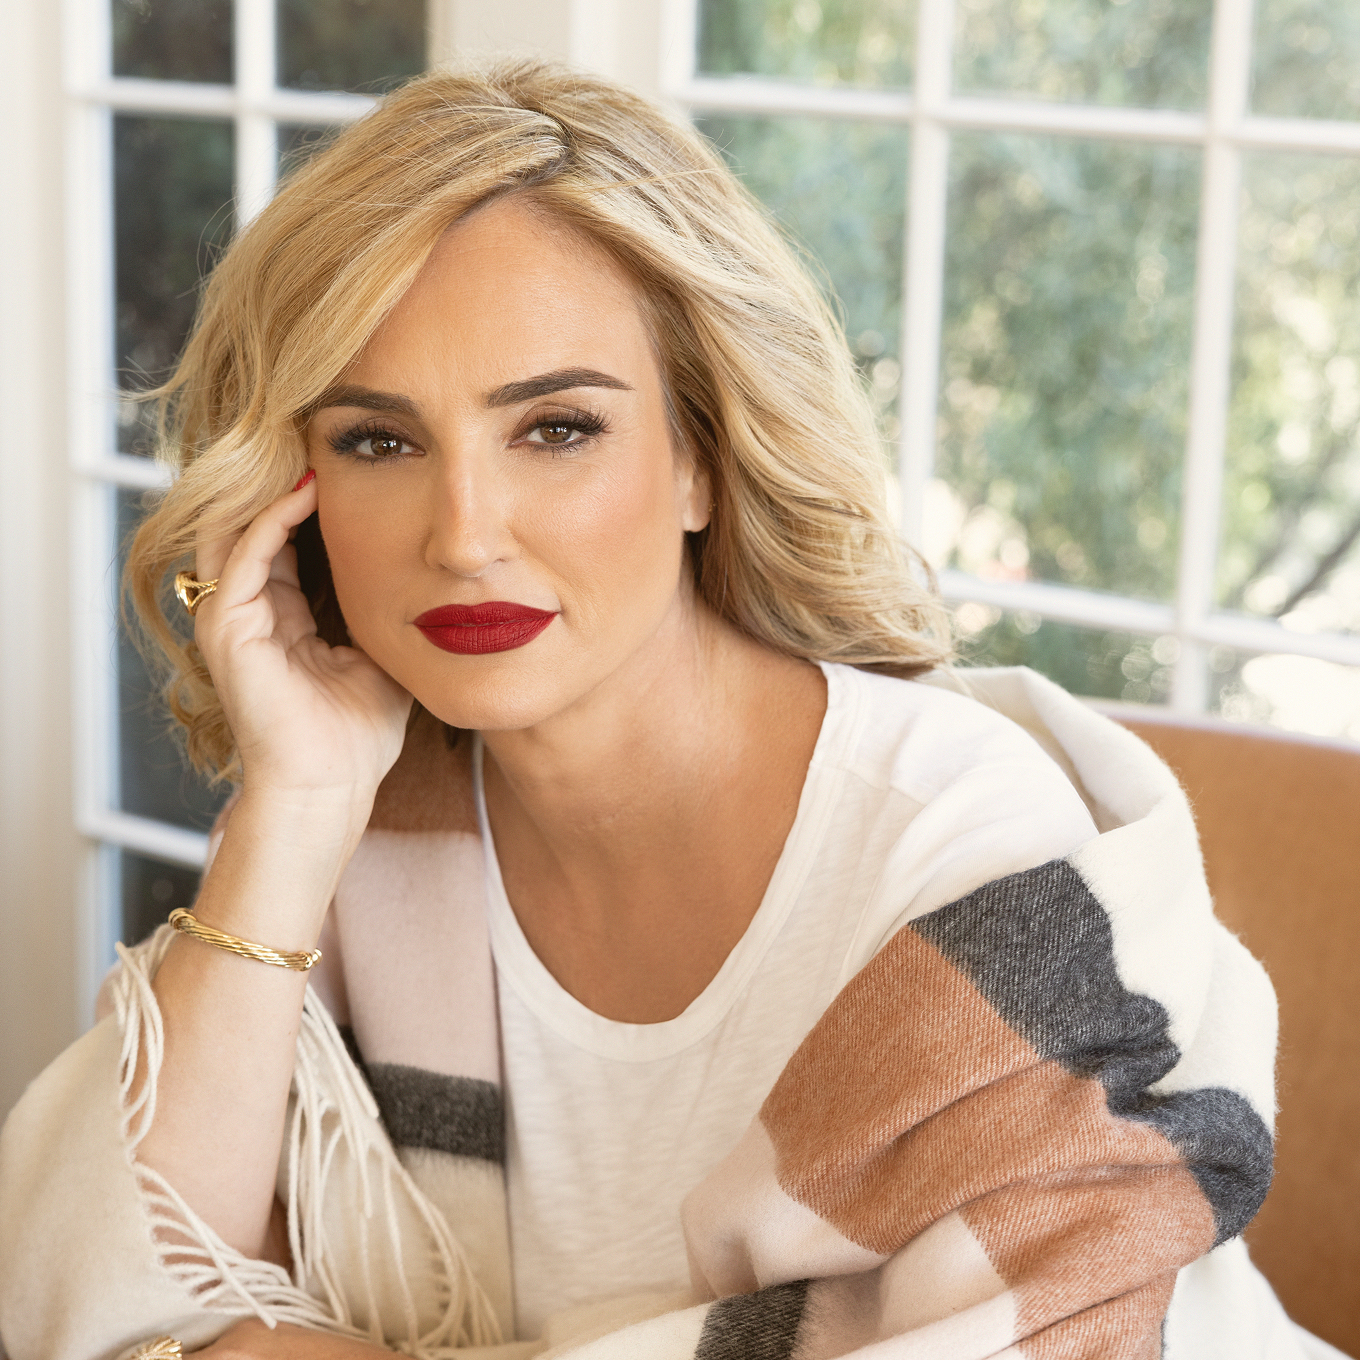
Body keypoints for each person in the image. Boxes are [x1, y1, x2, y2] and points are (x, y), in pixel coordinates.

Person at [0, 60, 1332, 1360]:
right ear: (293, 493)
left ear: (702, 453)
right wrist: (286, 821)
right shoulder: (356, 828)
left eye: (557, 427)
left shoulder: (966, 858)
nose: (466, 536)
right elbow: (88, 1308)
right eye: (377, 441)